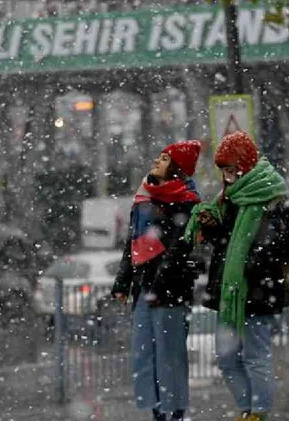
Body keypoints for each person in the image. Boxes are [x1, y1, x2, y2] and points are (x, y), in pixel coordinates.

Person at [185, 131, 289, 421]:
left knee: (256, 355)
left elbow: (274, 246)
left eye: (232, 169)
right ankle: (247, 410)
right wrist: (210, 227)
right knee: (226, 357)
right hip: (230, 292)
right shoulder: (230, 197)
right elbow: (226, 241)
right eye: (224, 171)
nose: (228, 176)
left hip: (256, 291)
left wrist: (246, 265)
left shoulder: (270, 196)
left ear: (244, 164)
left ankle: (259, 413)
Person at [112, 140, 202, 421]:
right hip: (143, 288)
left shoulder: (187, 202)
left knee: (169, 356)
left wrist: (161, 276)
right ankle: (155, 413)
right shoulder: (144, 198)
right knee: (144, 355)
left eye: (164, 159)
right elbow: (133, 243)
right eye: (159, 156)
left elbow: (181, 246)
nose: (157, 161)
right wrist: (122, 282)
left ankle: (174, 413)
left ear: (176, 168)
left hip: (170, 290)